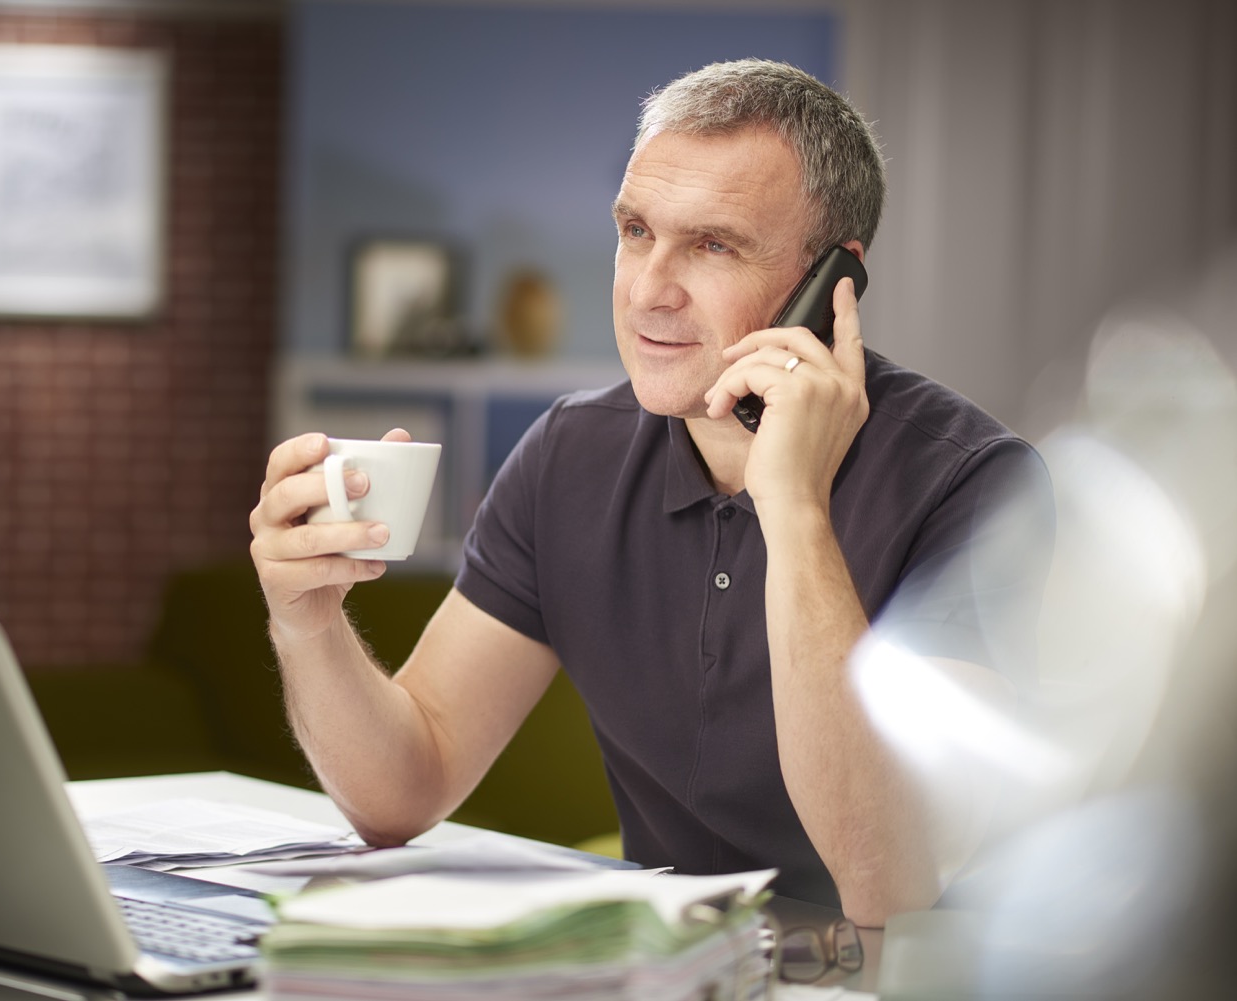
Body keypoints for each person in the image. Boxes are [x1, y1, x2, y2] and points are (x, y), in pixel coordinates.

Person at [249, 59, 1051, 927]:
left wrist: (794, 509)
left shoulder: (978, 485)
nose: (647, 289)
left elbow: (891, 886)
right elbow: (406, 785)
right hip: (672, 969)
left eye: (713, 245)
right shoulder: (569, 454)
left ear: (835, 282)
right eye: (636, 231)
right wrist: (309, 622)